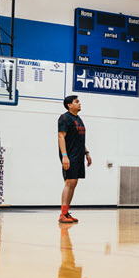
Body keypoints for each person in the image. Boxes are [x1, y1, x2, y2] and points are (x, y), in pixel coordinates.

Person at [58, 95, 92, 224]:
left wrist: (86, 153)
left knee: (74, 183)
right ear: (69, 105)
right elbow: (61, 137)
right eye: (76, 102)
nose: (79, 104)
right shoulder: (64, 118)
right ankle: (62, 214)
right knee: (69, 182)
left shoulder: (79, 119)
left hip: (79, 156)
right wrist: (64, 156)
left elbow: (79, 139)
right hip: (70, 155)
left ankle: (66, 212)